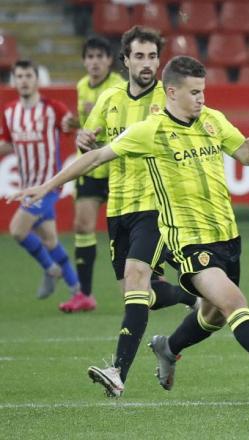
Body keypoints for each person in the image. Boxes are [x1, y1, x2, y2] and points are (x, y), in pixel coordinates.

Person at [12, 55, 249, 396]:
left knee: (213, 317)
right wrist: (47, 186)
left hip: (228, 238)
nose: (202, 98)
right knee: (235, 304)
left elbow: (247, 154)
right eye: (195, 92)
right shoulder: (151, 132)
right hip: (189, 243)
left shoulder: (212, 120)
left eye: (203, 91)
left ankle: (167, 348)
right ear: (172, 92)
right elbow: (95, 156)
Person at [74, 26, 194, 396]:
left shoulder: (169, 97)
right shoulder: (109, 98)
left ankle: (118, 372)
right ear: (125, 60)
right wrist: (83, 139)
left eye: (153, 56)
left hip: (156, 206)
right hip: (119, 207)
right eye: (139, 56)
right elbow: (90, 143)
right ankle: (195, 297)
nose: (147, 63)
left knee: (138, 276)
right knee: (137, 291)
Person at [0, 60, 81, 300]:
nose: (23, 80)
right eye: (19, 76)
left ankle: (50, 269)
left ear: (36, 80)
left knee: (17, 229)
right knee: (50, 240)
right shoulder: (9, 112)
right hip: (28, 187)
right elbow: (7, 145)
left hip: (48, 185)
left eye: (28, 76)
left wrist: (74, 121)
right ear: (15, 80)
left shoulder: (52, 108)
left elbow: (71, 125)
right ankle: (78, 291)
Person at [59, 36, 124, 313]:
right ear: (84, 61)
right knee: (83, 226)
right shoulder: (82, 86)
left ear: (109, 60)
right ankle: (85, 294)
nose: (95, 62)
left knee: (130, 229)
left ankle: (152, 277)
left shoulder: (120, 87)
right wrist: (71, 122)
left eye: (100, 56)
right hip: (90, 166)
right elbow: (85, 121)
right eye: (90, 57)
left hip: (119, 168)